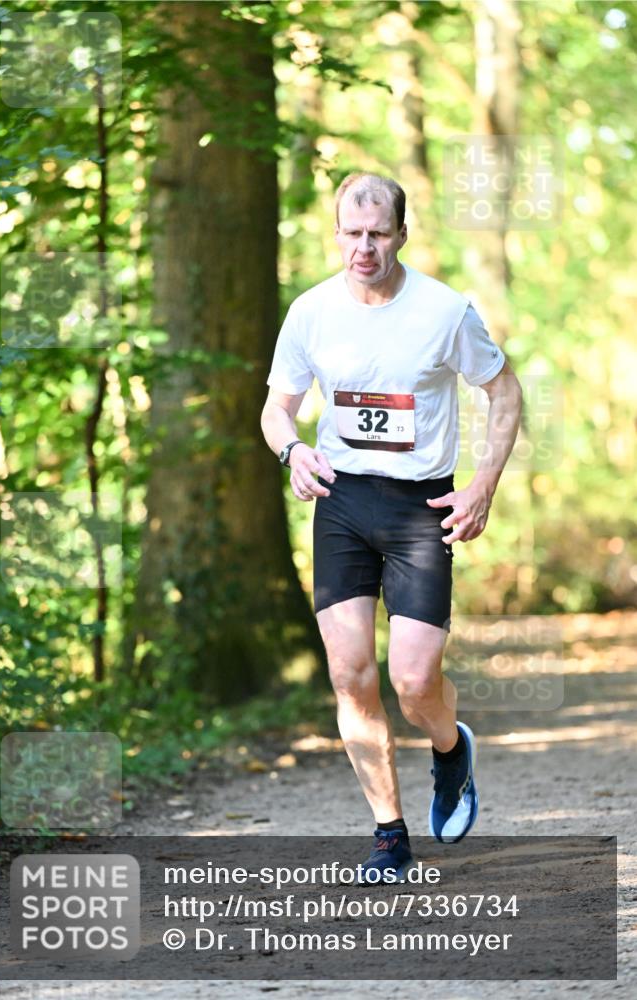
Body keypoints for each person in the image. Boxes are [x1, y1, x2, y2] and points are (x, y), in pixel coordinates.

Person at [260, 172, 522, 883]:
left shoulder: (443, 311)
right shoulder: (310, 312)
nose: (363, 248)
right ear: (336, 232)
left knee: (412, 682)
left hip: (419, 509)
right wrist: (292, 450)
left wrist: (482, 486)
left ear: (401, 234)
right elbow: (276, 408)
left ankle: (448, 749)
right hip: (341, 503)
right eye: (351, 233)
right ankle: (388, 835)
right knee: (350, 675)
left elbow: (503, 392)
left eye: (378, 234)